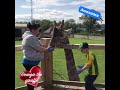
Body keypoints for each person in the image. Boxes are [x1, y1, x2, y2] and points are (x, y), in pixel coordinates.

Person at [22, 22, 54, 90]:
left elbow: (36, 46)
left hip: (29, 61)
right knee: (31, 81)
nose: (39, 32)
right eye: (39, 30)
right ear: (33, 30)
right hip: (30, 62)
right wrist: (47, 49)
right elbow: (39, 48)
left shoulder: (29, 37)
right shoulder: (30, 38)